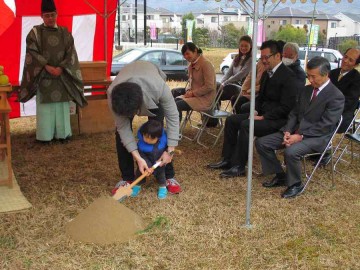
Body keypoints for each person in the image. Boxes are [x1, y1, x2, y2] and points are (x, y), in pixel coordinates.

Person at [255, 57, 345, 198]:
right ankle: (280, 175)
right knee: (262, 142)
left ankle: (295, 184)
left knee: (291, 151)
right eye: (308, 75)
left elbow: (326, 125)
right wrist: (287, 131)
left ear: (326, 74)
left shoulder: (336, 96)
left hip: (317, 138)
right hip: (295, 132)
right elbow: (294, 113)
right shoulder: (306, 90)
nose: (310, 79)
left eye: (313, 76)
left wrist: (300, 136)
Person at [207, 40, 298, 178]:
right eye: (262, 57)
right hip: (263, 115)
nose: (264, 61)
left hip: (278, 121)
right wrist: (255, 111)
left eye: (266, 57)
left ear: (277, 56)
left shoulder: (289, 77)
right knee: (232, 120)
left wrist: (263, 117)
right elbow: (260, 97)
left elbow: (286, 107)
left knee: (246, 125)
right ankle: (227, 159)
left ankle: (239, 166)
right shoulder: (268, 73)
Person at [108, 61, 181, 195]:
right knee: (120, 135)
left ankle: (168, 175)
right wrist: (138, 158)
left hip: (152, 92)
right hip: (127, 90)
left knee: (157, 132)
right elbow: (123, 129)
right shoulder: (113, 94)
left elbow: (173, 116)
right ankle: (127, 178)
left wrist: (170, 151)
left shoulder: (158, 88)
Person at [19, 0, 87, 143]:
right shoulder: (35, 33)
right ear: (41, 16)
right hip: (44, 76)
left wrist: (61, 67)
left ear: (57, 14)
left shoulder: (64, 33)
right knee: (45, 109)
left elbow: (70, 53)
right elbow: (32, 51)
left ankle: (63, 135)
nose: (50, 18)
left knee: (62, 107)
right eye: (47, 15)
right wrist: (47, 66)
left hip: (61, 76)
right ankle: (45, 137)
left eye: (52, 15)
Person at [172, 42, 216, 123]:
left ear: (195, 51)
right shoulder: (191, 65)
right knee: (173, 102)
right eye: (184, 55)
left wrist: (192, 93)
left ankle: (174, 131)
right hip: (195, 97)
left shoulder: (206, 64)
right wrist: (189, 90)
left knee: (176, 105)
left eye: (188, 53)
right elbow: (191, 83)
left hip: (205, 99)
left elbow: (209, 86)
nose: (186, 57)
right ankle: (173, 129)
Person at [132, 120, 170, 199]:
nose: (148, 140)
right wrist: (148, 166)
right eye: (145, 137)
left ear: (158, 137)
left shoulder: (164, 140)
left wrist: (167, 153)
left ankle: (163, 187)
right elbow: (141, 156)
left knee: (161, 174)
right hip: (145, 162)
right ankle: (137, 185)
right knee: (140, 173)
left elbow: (168, 150)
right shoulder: (140, 144)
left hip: (159, 162)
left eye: (151, 139)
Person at [329, 48, 360, 133]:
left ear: (355, 65)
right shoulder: (332, 73)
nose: (345, 61)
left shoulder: (357, 79)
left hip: (342, 116)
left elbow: (348, 103)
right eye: (345, 57)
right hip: (325, 110)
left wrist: (328, 108)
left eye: (350, 60)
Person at [218, 35, 252, 102]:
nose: (243, 48)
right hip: (233, 85)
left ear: (250, 46)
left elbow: (240, 75)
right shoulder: (237, 58)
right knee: (216, 89)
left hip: (243, 88)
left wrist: (225, 83)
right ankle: (215, 110)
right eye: (241, 46)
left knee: (221, 90)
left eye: (246, 46)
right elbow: (229, 73)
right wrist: (221, 83)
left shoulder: (251, 60)